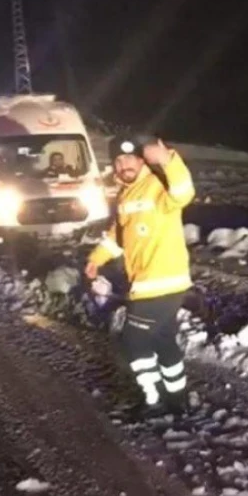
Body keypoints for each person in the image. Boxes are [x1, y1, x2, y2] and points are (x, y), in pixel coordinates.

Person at [85, 134, 196, 410]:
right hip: (154, 285)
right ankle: (178, 399)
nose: (125, 165)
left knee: (133, 341)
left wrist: (168, 160)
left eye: (130, 158)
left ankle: (154, 398)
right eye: (119, 160)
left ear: (141, 160)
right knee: (162, 339)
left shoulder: (156, 186)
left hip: (160, 282)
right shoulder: (126, 195)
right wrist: (96, 259)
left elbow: (184, 193)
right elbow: (120, 236)